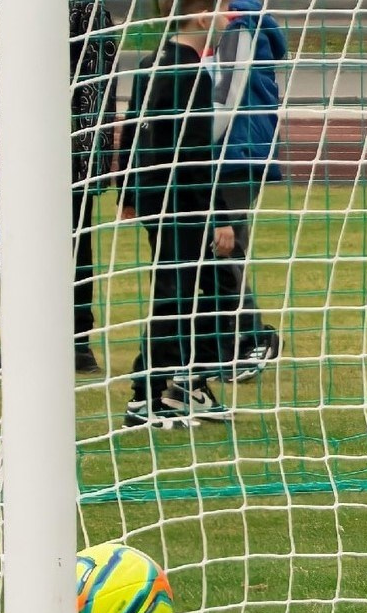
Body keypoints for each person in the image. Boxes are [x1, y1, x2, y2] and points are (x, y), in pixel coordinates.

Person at [0, 0, 120, 375]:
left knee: (70, 244)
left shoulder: (86, 9)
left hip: (64, 154)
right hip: (13, 148)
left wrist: (75, 153)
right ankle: (28, 335)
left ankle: (75, 342)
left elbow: (94, 85)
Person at [118, 0, 240, 427]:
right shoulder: (190, 73)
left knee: (197, 288)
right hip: (182, 201)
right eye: (224, 9)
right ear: (204, 17)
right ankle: (146, 396)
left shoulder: (153, 61)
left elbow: (132, 128)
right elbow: (192, 154)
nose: (230, 18)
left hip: (157, 197)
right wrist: (220, 215)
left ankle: (188, 381)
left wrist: (129, 192)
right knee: (179, 295)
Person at [203, 0, 285, 383]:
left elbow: (227, 91)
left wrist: (198, 139)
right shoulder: (237, 24)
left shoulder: (240, 26)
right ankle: (225, 342)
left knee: (224, 245)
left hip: (236, 149)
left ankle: (253, 335)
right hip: (238, 148)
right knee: (219, 245)